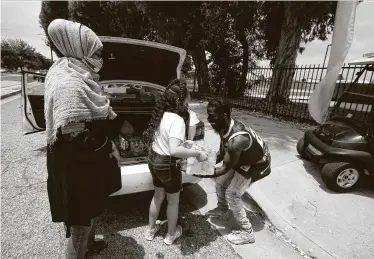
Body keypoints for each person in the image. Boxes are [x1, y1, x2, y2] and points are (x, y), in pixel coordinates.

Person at [45, 19, 121, 259]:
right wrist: (109, 145)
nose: (100, 57)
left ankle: (88, 246)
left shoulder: (77, 74)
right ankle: (80, 250)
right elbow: (76, 140)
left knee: (92, 210)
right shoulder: (70, 82)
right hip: (76, 168)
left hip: (87, 163)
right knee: (80, 223)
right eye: (96, 52)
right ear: (78, 48)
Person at [196, 99, 271, 245]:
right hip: (243, 158)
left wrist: (203, 172)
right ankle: (223, 210)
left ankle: (247, 232)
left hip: (256, 164)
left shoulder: (237, 140)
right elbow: (221, 153)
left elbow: (225, 167)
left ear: (224, 115)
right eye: (208, 115)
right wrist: (203, 163)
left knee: (233, 194)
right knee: (219, 183)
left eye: (212, 116)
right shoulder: (224, 127)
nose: (209, 119)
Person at [143, 79, 208, 245]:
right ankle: (171, 234)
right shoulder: (178, 120)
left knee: (157, 196)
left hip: (154, 159)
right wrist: (198, 153)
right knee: (173, 201)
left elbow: (166, 142)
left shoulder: (161, 114)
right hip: (167, 165)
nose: (189, 100)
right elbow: (174, 150)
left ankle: (151, 230)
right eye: (188, 97)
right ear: (181, 100)